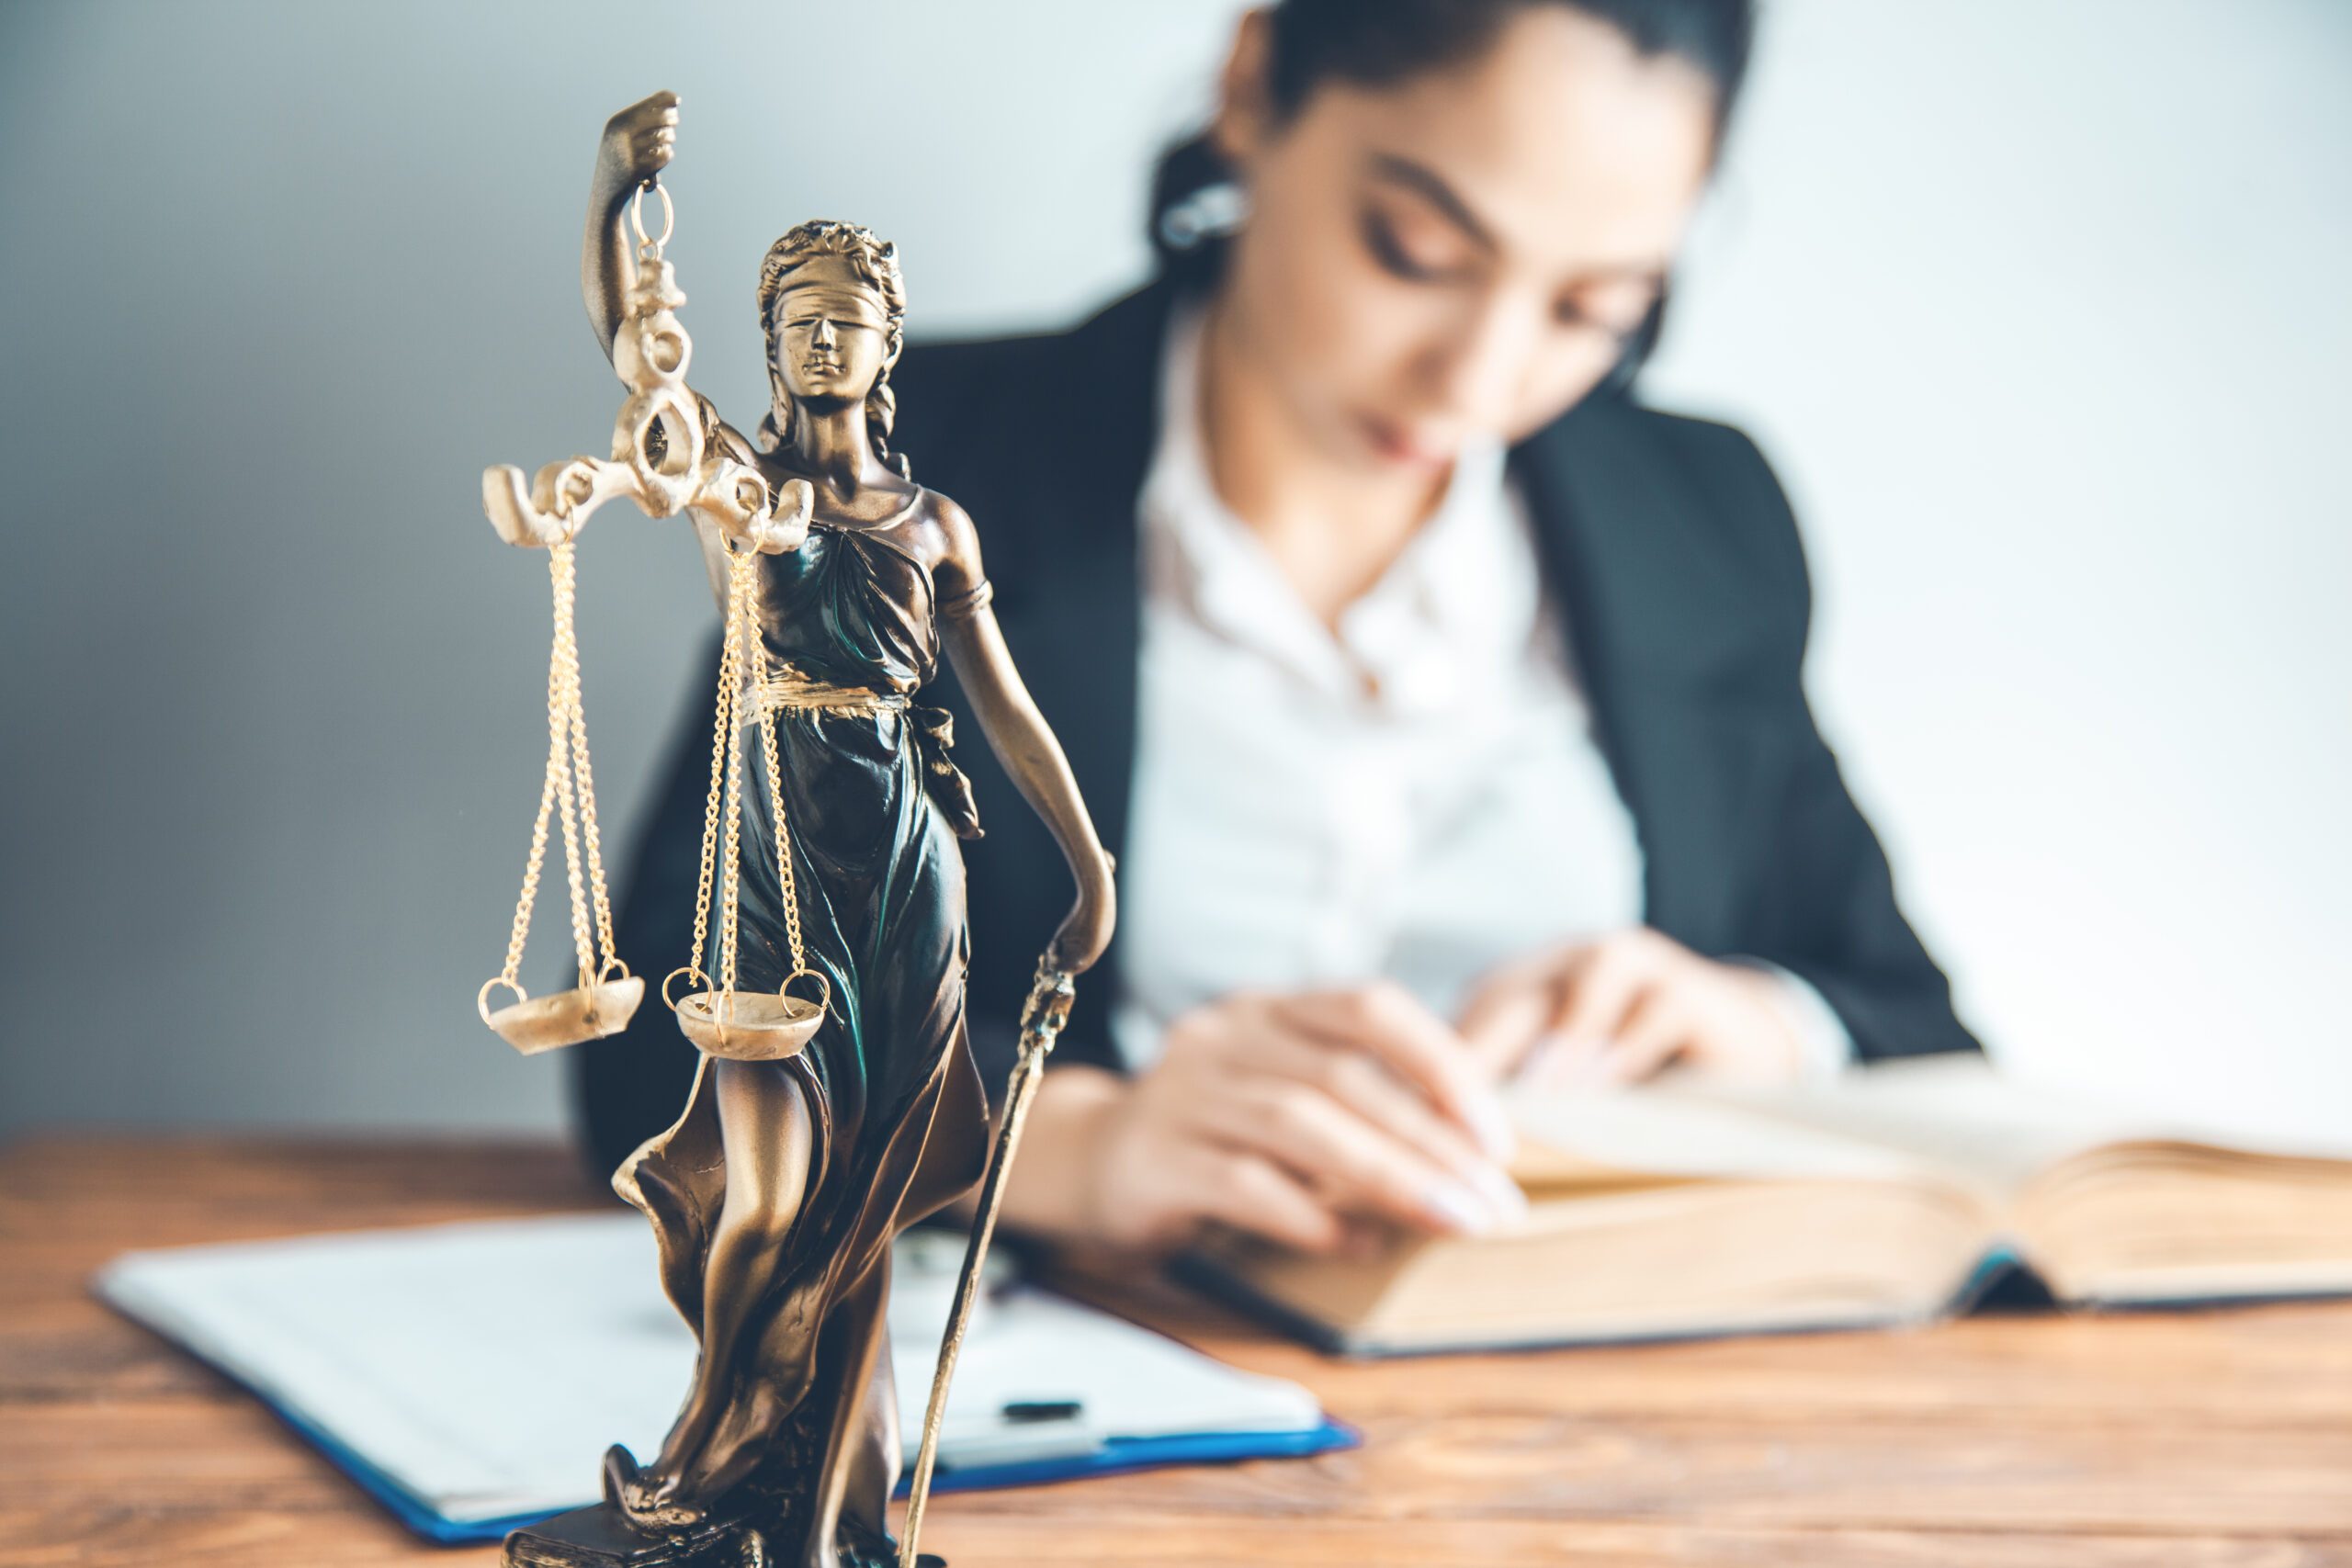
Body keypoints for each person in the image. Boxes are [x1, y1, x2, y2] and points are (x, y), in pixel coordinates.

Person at [578, 0, 1978, 1273]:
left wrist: (1750, 1024)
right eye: (1417, 252)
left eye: (1595, 309)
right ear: (1253, 87)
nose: (1483, 380)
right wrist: (1072, 1141)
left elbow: (1913, 1021)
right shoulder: (913, 479)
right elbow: (655, 1050)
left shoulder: (1701, 515)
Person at [571, 107, 1116, 1564]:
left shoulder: (937, 525)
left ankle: (800, 1516)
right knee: (760, 1199)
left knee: (865, 1211)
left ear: (890, 344)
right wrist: (625, 197)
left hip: (906, 878)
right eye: (801, 322)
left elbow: (1006, 714)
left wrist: (1088, 863)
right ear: (771, 339)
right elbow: (637, 350)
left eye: (851, 322)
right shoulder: (743, 489)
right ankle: (715, 1439)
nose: (826, 344)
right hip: (769, 876)